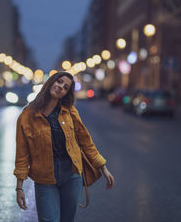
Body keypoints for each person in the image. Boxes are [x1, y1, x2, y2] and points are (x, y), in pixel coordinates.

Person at [14, 71, 114, 222]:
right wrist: (19, 188)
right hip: (44, 177)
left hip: (72, 174)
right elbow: (22, 154)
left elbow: (86, 142)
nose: (61, 87)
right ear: (51, 82)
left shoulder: (70, 112)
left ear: (66, 94)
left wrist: (103, 168)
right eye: (59, 82)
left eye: (66, 87)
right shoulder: (27, 116)